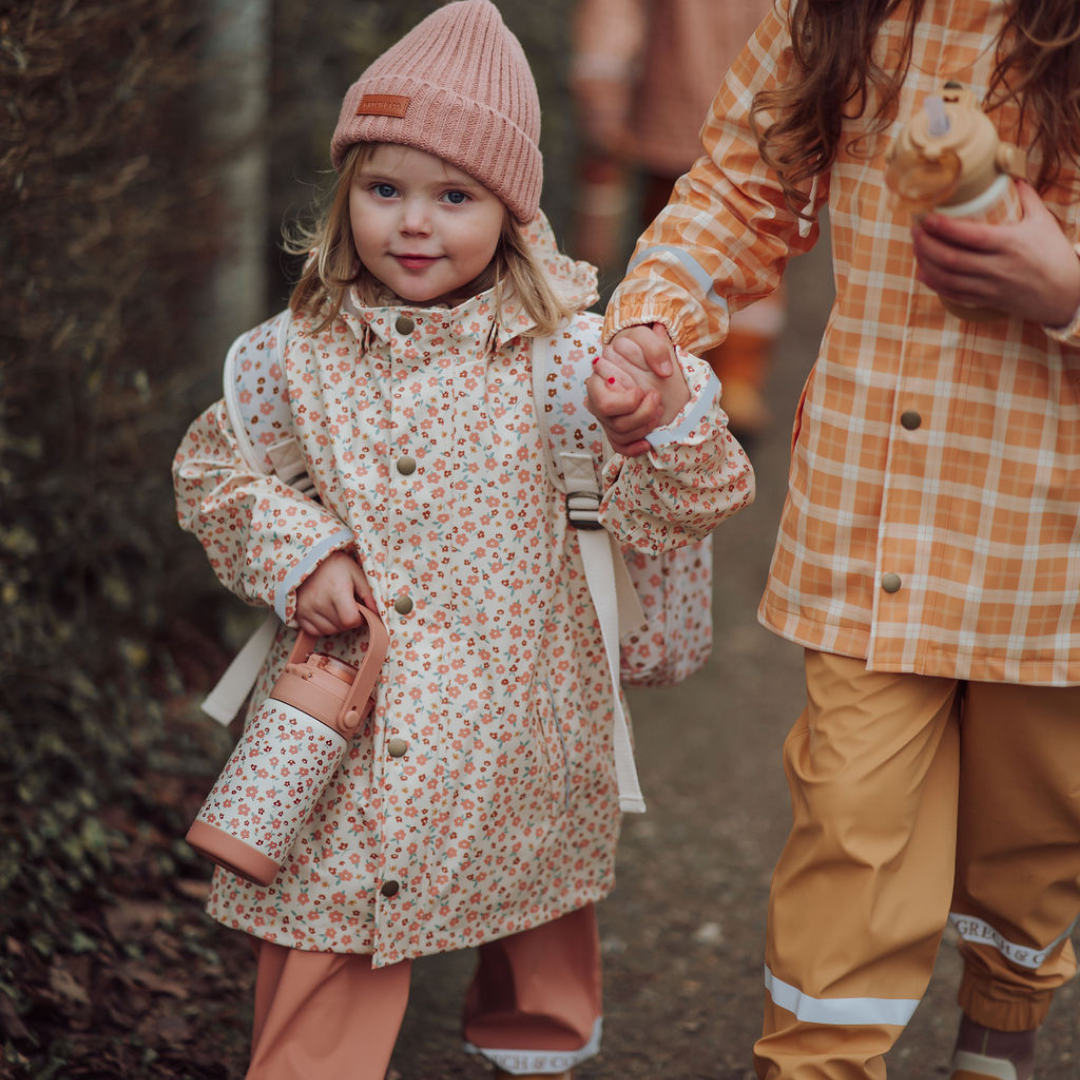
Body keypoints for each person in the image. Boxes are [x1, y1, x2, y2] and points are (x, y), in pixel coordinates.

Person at [172, 3, 753, 1078]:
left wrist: (660, 422)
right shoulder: (292, 356)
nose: (415, 224)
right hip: (352, 712)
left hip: (521, 701)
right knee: (329, 908)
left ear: (513, 214)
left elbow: (690, 500)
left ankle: (531, 1035)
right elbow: (214, 474)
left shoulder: (570, 361)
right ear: (345, 198)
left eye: (456, 196)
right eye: (384, 189)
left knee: (526, 879)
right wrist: (302, 549)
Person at [595, 1, 1080, 1078]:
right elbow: (740, 185)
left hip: (1057, 545)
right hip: (878, 514)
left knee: (1035, 837)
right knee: (851, 818)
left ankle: (1001, 1022)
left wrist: (1065, 289)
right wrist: (655, 323)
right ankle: (814, 1062)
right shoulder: (838, 15)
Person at [570, 0, 784, 442]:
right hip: (684, 104)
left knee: (767, 231)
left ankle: (732, 374)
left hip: (759, 107)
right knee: (678, 229)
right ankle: (676, 366)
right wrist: (604, 81)